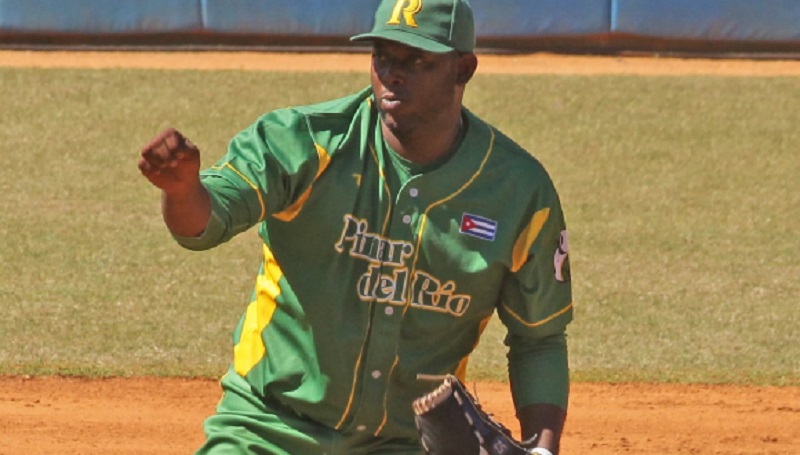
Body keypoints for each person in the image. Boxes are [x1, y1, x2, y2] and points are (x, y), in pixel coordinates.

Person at [138, 0, 573, 453]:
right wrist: (184, 189)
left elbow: (538, 337)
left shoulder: (519, 191)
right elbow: (204, 224)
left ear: (463, 69)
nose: (393, 73)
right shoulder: (305, 142)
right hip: (268, 428)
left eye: (417, 59)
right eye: (383, 55)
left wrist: (542, 450)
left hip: (403, 442)